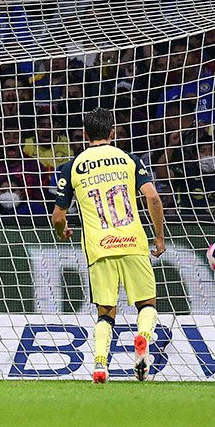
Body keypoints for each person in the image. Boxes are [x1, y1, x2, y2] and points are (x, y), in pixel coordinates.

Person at [50, 107, 165, 384]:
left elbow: (58, 216)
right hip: (133, 242)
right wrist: (159, 237)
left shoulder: (72, 166)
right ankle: (143, 339)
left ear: (85, 135)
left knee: (105, 312)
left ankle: (100, 365)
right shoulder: (129, 159)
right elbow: (153, 198)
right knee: (146, 304)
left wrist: (61, 231)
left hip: (99, 246)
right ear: (112, 133)